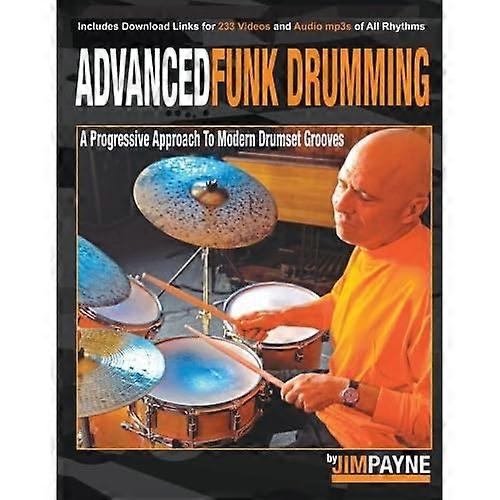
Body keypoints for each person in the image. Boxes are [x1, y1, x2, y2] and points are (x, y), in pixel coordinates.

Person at [236, 128, 431, 448]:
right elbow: (344, 303)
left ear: (412, 209)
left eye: (365, 196)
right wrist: (280, 317)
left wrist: (344, 391)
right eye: (343, 183)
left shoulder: (428, 294)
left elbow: (429, 421)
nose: (341, 203)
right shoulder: (376, 242)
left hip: (365, 440)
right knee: (236, 394)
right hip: (338, 391)